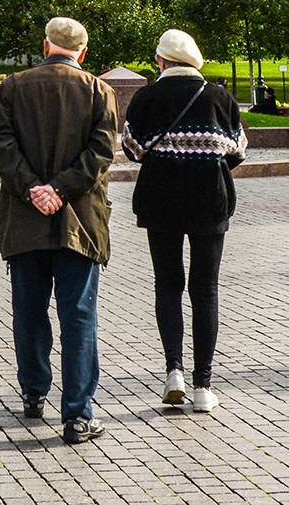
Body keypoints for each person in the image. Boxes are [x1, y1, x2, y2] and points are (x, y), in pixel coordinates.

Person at [0, 16, 117, 445]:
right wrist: (59, 190)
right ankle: (78, 416)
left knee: (28, 309)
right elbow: (101, 154)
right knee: (78, 316)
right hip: (79, 221)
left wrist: (33, 190)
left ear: (46, 46)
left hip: (25, 220)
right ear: (83, 52)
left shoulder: (12, 87)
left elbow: (2, 147)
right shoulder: (100, 91)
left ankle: (32, 391)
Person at [122, 29, 246, 414]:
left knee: (168, 284)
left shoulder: (147, 97)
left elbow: (132, 148)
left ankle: (172, 370)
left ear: (161, 61)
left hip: (160, 201)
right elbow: (238, 150)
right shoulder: (220, 97)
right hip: (210, 200)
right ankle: (204, 385)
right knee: (206, 289)